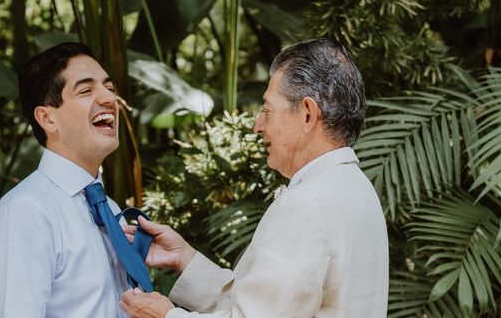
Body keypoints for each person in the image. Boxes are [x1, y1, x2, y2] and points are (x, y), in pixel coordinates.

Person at [120, 38, 389, 318]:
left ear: (308, 114)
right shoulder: (356, 188)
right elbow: (268, 304)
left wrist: (167, 316)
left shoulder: (305, 205)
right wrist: (186, 259)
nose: (257, 125)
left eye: (267, 110)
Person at [0, 42, 135, 317]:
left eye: (109, 88)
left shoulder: (108, 209)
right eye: (86, 90)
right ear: (47, 118)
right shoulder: (26, 212)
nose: (109, 98)